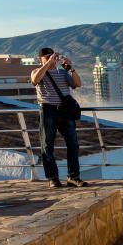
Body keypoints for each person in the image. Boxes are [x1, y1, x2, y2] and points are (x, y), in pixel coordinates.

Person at [30, 47, 87, 188]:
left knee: (73, 144)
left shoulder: (62, 72)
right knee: (47, 145)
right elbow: (35, 80)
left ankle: (73, 177)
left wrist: (71, 69)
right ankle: (52, 178)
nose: (52, 59)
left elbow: (77, 84)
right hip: (48, 109)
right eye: (48, 56)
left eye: (54, 57)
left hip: (65, 110)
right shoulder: (37, 72)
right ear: (40, 59)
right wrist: (47, 64)